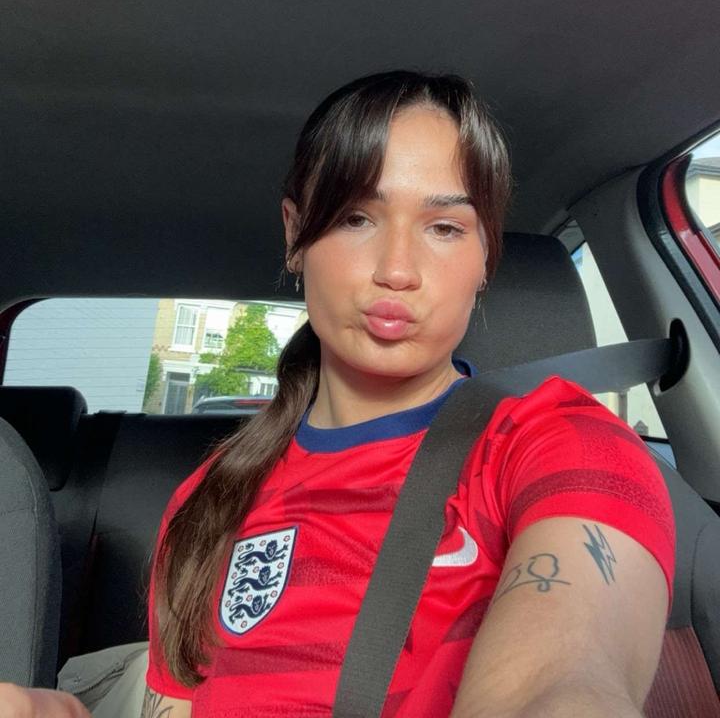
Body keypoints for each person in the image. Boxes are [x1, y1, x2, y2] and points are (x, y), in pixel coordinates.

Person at [0, 71, 674, 718]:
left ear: (485, 258)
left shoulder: (557, 444)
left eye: (444, 227)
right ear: (296, 234)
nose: (398, 270)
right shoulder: (207, 502)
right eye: (356, 218)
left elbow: (560, 681)